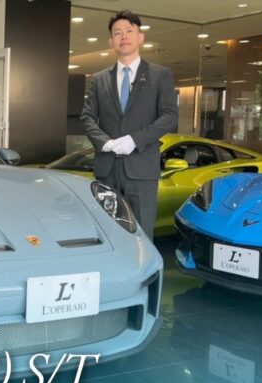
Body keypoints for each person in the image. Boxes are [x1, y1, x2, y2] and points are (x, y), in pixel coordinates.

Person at [80, 10, 178, 240]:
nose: (123, 36)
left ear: (140, 37)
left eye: (129, 31)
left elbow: (169, 116)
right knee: (107, 232)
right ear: (110, 41)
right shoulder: (100, 78)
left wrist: (135, 140)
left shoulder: (159, 75)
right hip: (107, 169)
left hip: (142, 169)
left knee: (141, 233)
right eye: (117, 33)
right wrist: (105, 142)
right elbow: (87, 117)